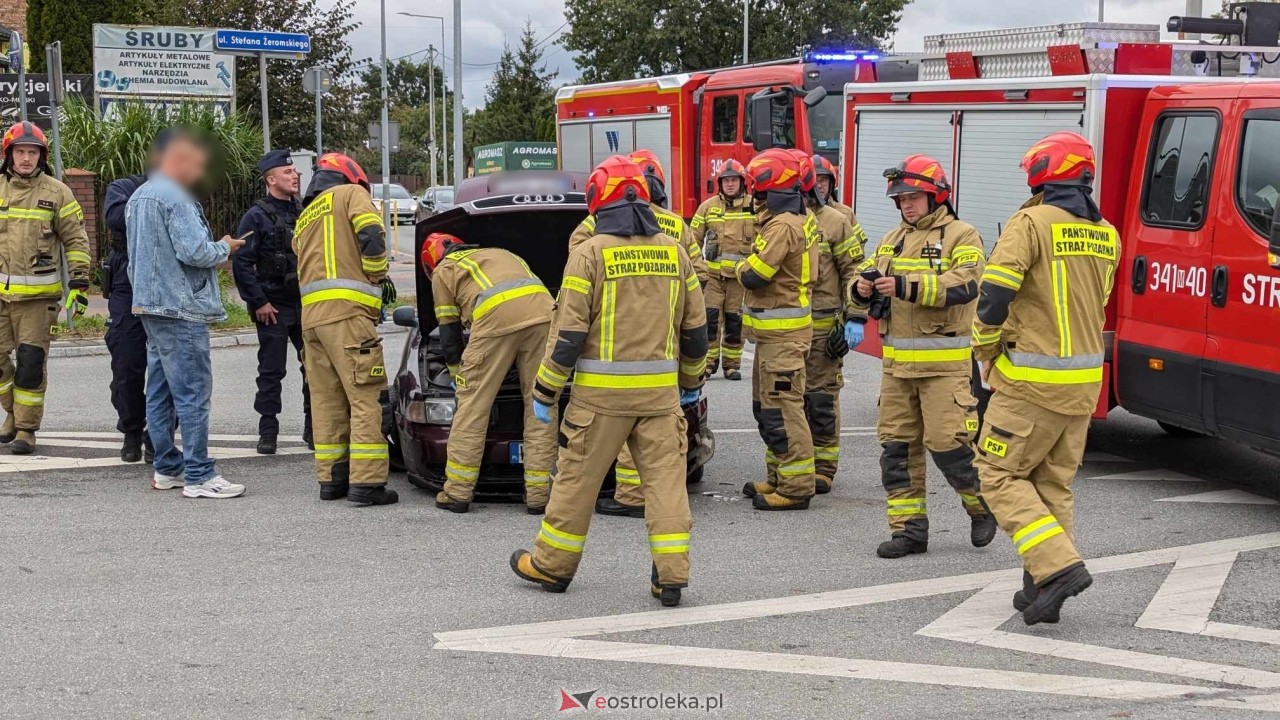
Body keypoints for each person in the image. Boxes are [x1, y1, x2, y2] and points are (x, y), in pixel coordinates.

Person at [510, 155, 707, 607]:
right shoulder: (674, 251)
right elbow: (695, 328)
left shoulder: (589, 253)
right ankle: (671, 576)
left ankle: (551, 566)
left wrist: (545, 389)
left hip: (600, 402)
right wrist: (691, 382)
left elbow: (569, 333)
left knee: (576, 483)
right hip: (660, 398)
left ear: (598, 202)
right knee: (665, 487)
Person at [972, 132, 1118, 625]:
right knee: (1052, 483)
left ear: (1041, 174)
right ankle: (1041, 588)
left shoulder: (1030, 222)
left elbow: (994, 296)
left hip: (1029, 383)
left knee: (996, 474)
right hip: (1082, 384)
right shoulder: (1107, 234)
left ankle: (1057, 570)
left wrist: (985, 350)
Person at [849, 155, 996, 558]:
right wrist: (859, 290)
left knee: (950, 446)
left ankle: (982, 507)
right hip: (897, 371)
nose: (906, 205)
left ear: (936, 196)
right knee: (896, 451)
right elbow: (863, 272)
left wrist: (903, 285)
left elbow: (965, 284)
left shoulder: (962, 236)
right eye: (901, 199)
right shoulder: (891, 238)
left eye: (914, 197)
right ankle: (909, 531)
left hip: (944, 369)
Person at [570, 149, 706, 519]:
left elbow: (579, 270)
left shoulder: (592, 233)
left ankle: (630, 493)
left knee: (592, 460)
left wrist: (547, 389)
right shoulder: (678, 229)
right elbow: (700, 282)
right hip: (666, 340)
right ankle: (671, 568)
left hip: (615, 346)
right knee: (661, 447)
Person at [127, 129, 246, 498]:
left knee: (160, 390)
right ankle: (198, 474)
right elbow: (195, 252)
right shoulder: (175, 197)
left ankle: (167, 468)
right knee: (193, 392)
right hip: (181, 307)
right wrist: (224, 247)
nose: (198, 170)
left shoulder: (138, 197)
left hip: (149, 304)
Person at [422, 232, 556, 514]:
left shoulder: (444, 270)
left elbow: (449, 333)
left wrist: (460, 376)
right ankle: (539, 496)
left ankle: (457, 492)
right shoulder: (503, 252)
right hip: (546, 314)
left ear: (430, 262)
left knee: (473, 407)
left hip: (496, 319)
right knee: (540, 403)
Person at [293, 152, 398, 506]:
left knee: (326, 401)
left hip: (312, 322)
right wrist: (377, 276)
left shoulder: (304, 216)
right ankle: (367, 484)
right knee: (368, 398)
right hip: (348, 316)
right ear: (352, 178)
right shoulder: (352, 195)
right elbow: (371, 235)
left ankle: (331, 480)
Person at [0, 122, 91, 455]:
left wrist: (79, 282)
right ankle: (11, 412)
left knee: (29, 364)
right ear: (8, 154)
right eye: (20, 152)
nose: (26, 158)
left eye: (32, 152)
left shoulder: (57, 192)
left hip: (38, 301)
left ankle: (25, 429)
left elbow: (76, 241)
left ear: (42, 156)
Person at [736, 148, 820, 511]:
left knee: (783, 411)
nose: (753, 194)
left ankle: (796, 486)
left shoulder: (783, 225)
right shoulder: (791, 218)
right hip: (774, 339)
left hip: (782, 340)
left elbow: (755, 274)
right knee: (767, 409)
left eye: (756, 188)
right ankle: (778, 476)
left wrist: (738, 267)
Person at [233, 149, 312, 455]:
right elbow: (242, 264)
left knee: (313, 369)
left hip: (304, 302)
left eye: (295, 170)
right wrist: (260, 302)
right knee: (272, 370)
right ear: (271, 179)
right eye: (288, 171)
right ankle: (268, 431)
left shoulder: (304, 210)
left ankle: (314, 429)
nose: (296, 175)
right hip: (274, 305)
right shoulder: (256, 215)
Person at [803, 154, 865, 494]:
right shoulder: (785, 219)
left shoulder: (839, 220)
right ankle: (797, 463)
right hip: (790, 328)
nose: (820, 185)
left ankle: (824, 468)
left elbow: (853, 268)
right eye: (816, 179)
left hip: (825, 323)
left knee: (821, 400)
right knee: (788, 399)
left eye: (825, 180)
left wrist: (853, 316)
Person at [104, 171, 151, 463]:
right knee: (127, 362)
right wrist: (155, 204)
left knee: (168, 367)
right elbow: (115, 218)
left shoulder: (183, 190)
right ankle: (132, 430)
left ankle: (159, 436)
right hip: (126, 281)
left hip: (164, 280)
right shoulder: (124, 187)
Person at [690, 160, 753, 381]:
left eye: (734, 180)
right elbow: (693, 240)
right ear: (720, 183)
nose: (730, 184)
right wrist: (698, 270)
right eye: (726, 181)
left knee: (735, 323)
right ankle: (707, 364)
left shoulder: (753, 206)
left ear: (742, 182)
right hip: (713, 279)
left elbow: (766, 238)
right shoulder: (707, 207)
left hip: (739, 280)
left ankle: (732, 365)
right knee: (710, 322)